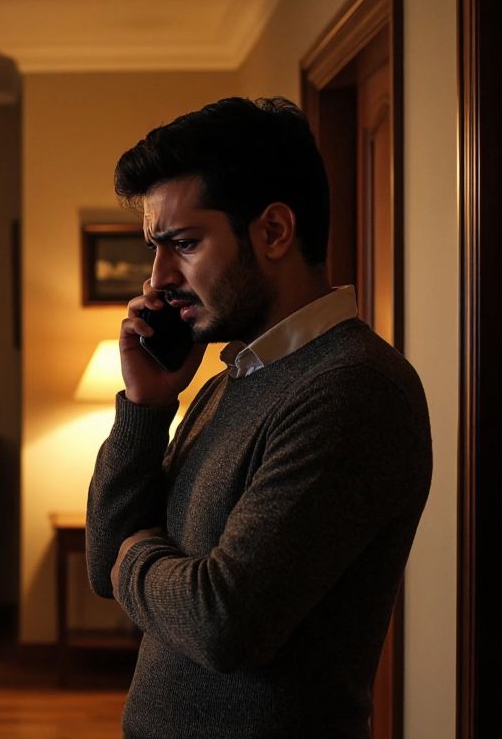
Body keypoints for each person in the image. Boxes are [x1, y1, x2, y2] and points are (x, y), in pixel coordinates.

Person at [85, 97, 432, 739]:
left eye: (184, 244)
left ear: (273, 231)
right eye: (155, 249)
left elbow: (222, 623)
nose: (158, 280)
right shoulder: (231, 380)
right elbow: (104, 557)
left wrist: (135, 556)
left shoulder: (352, 388)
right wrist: (146, 408)